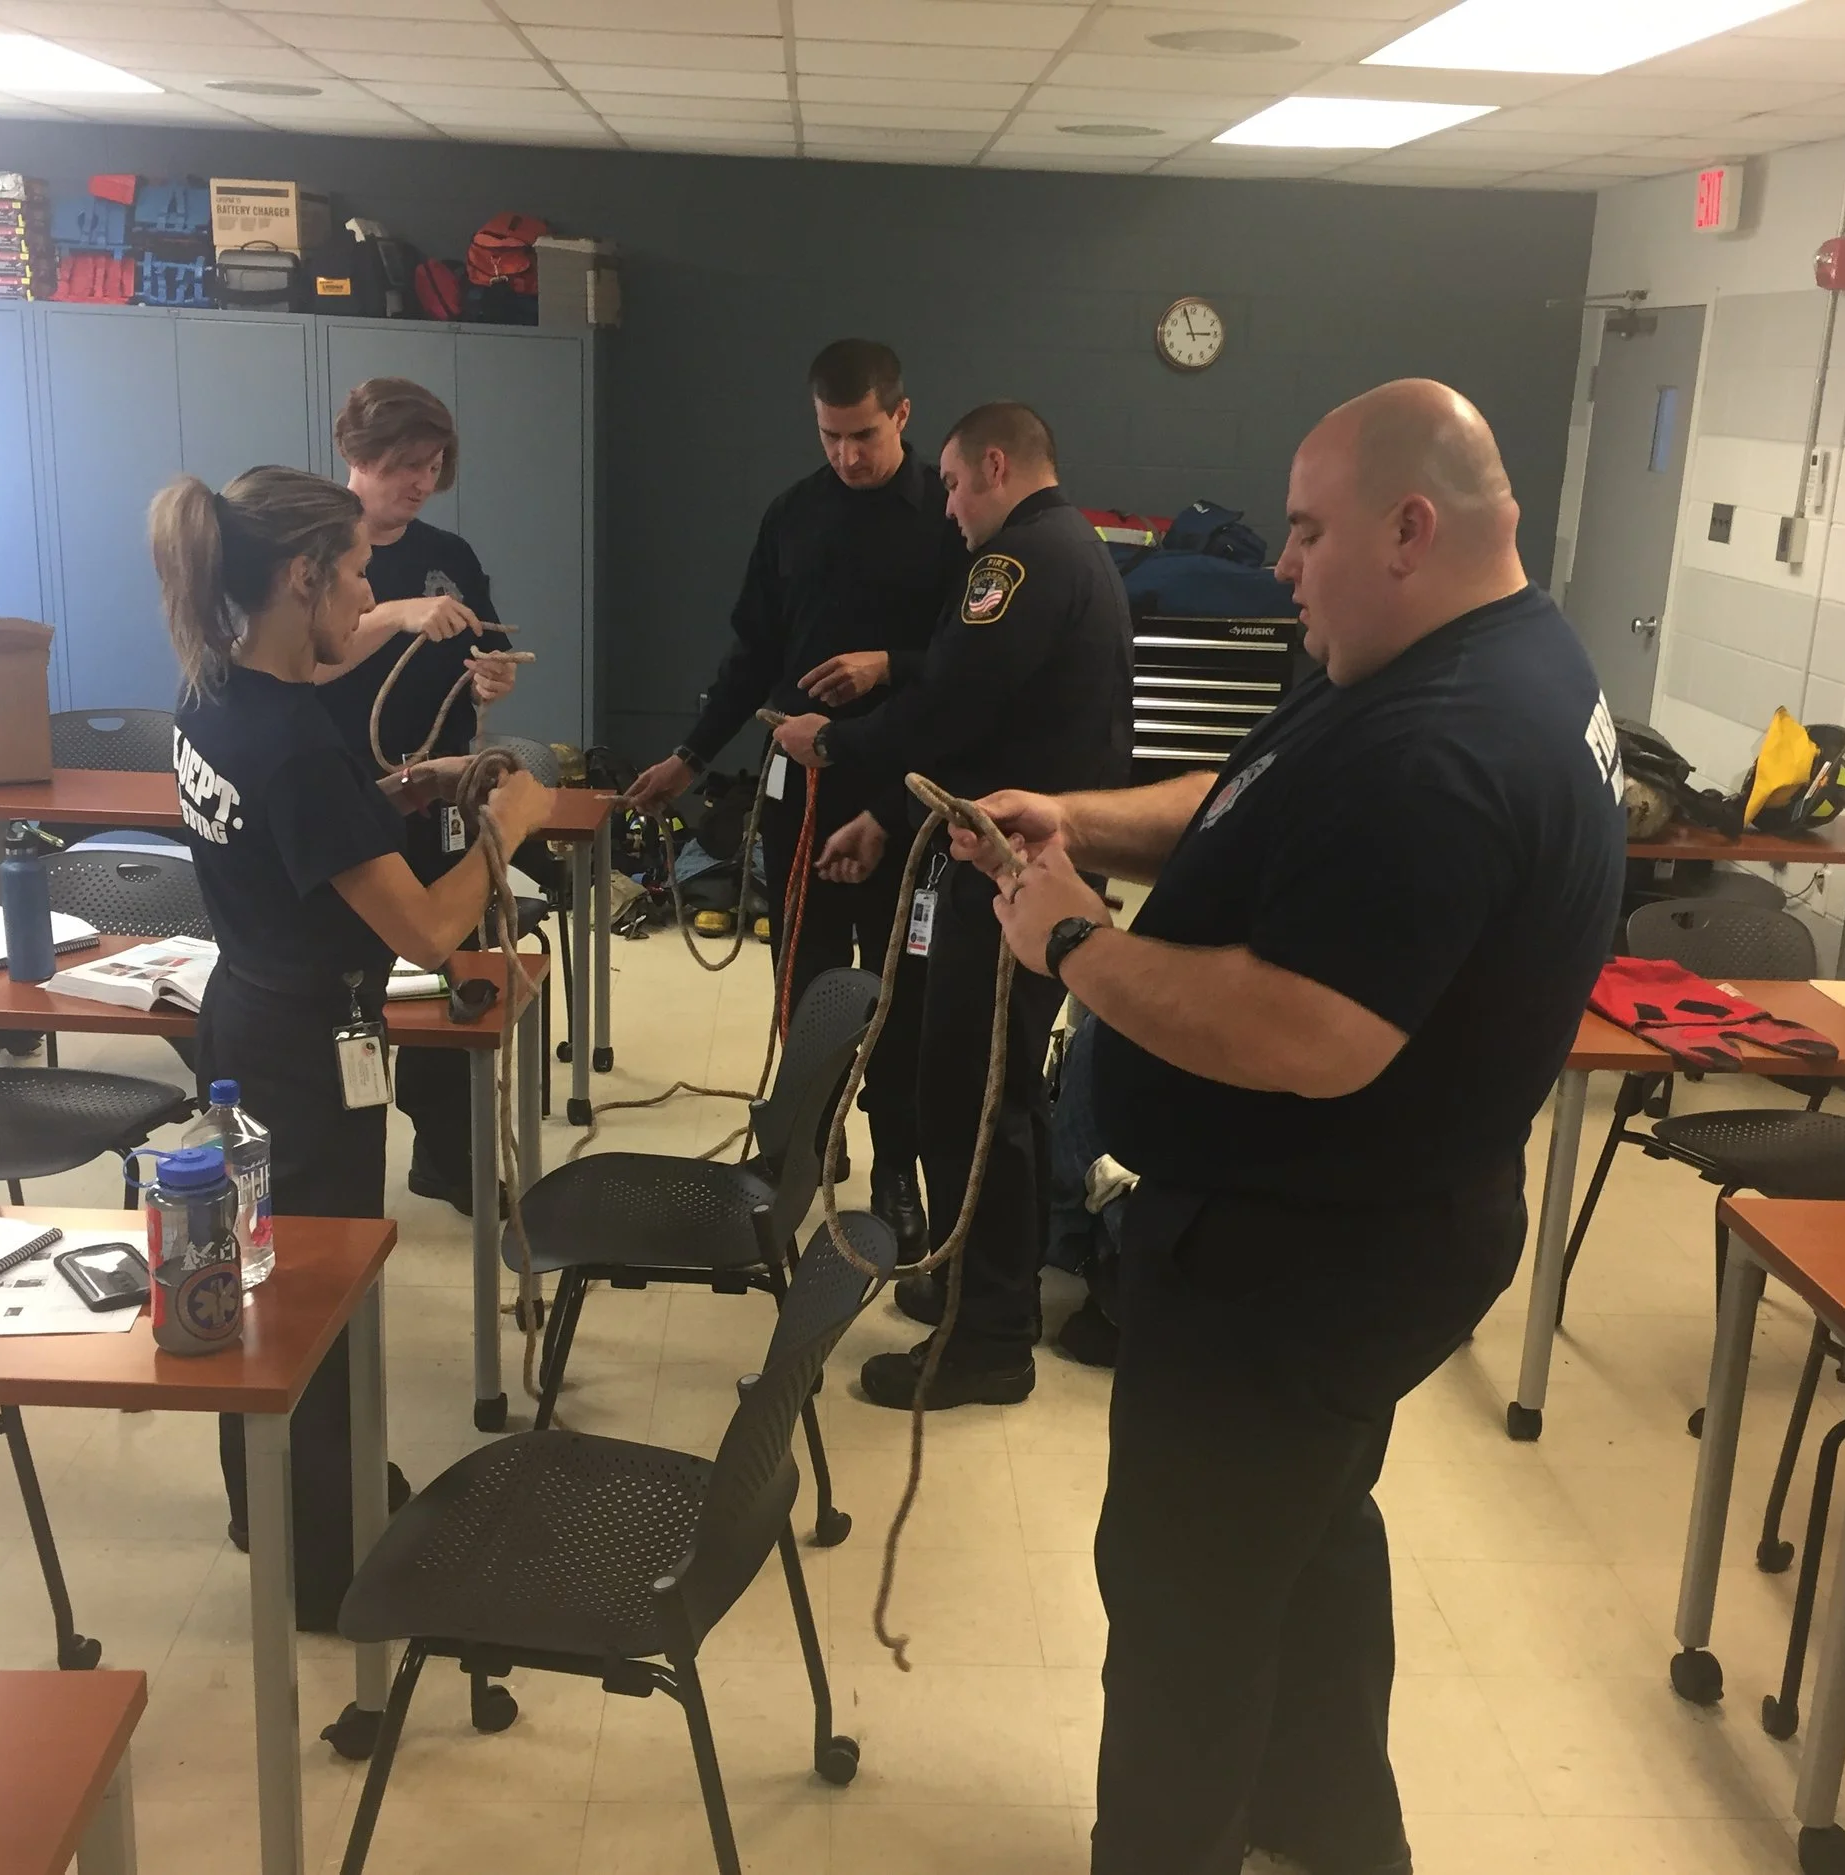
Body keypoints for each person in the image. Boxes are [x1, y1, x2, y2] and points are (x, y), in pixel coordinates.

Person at [947, 380, 1625, 1874]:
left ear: (1409, 527)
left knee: (1184, 1602)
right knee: (1300, 1537)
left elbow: (1310, 1035)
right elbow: (1253, 802)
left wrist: (1071, 941)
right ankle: (1328, 1834)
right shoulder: (1438, 652)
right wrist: (1080, 820)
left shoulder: (1447, 744)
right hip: (1349, 1229)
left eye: (1308, 532)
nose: (1281, 564)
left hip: (1306, 1255)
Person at [152, 465, 553, 1629]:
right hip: (306, 1051)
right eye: (358, 574)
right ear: (302, 577)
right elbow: (426, 929)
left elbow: (302, 835)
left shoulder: (214, 692)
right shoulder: (289, 741)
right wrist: (506, 824)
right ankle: (324, 1562)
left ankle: (276, 1507)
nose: (369, 594)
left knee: (265, 1279)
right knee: (311, 1296)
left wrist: (397, 792)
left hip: (246, 1014)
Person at [770, 401, 1132, 1409]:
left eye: (956, 485)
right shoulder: (1077, 549)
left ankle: (989, 1340)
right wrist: (888, 818)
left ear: (996, 466)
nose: (950, 507)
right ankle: (988, 1282)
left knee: (972, 1097)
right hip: (1023, 861)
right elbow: (985, 726)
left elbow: (949, 707)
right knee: (990, 1087)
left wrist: (835, 744)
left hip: (1008, 873)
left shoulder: (1013, 563)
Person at [627, 339, 968, 1257]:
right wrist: (691, 756)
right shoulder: (793, 515)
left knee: (898, 986)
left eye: (864, 435)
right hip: (803, 787)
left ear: (902, 415)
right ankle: (809, 1141)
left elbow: (971, 665)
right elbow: (752, 654)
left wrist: (889, 664)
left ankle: (896, 1166)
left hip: (905, 793)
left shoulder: (949, 518)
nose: (847, 455)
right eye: (830, 436)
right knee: (807, 977)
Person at [312, 377, 523, 1215]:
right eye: (406, 464)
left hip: (436, 794)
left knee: (451, 971)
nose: (421, 482)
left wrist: (490, 677)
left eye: (434, 465)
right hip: (343, 799)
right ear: (356, 455)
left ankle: (446, 1149)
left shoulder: (451, 554)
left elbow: (483, 652)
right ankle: (343, 1154)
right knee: (347, 980)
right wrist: (397, 612)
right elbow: (305, 661)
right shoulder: (315, 551)